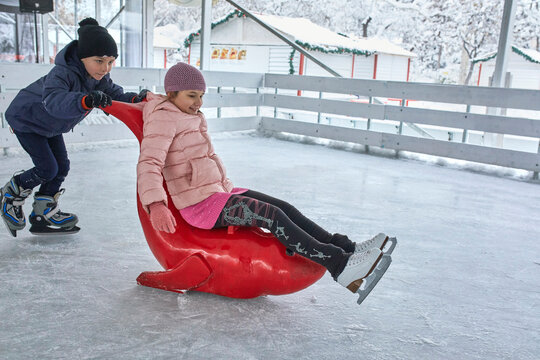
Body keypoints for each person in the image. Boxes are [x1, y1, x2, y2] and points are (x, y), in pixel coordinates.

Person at [136, 62, 396, 296]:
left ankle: (347, 249)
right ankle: (340, 265)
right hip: (199, 205)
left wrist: (225, 188)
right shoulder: (164, 118)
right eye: (192, 95)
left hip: (218, 193)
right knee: (271, 216)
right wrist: (156, 204)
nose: (198, 102)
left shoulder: (189, 115)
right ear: (172, 93)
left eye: (201, 96)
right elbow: (149, 163)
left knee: (284, 208)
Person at [0, 18, 148, 237]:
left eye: (110, 62)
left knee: (62, 166)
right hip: (28, 120)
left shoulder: (99, 78)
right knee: (47, 168)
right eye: (99, 61)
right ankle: (10, 194)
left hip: (50, 125)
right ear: (83, 57)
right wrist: (86, 101)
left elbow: (115, 96)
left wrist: (137, 98)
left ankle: (43, 211)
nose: (105, 68)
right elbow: (54, 100)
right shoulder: (62, 74)